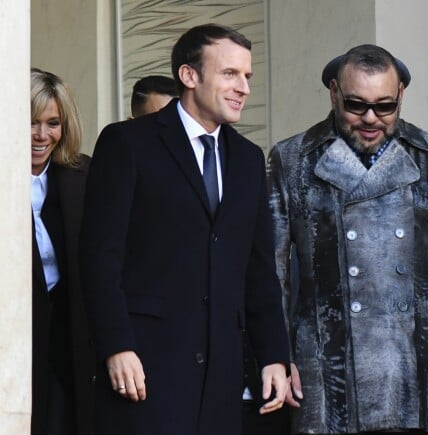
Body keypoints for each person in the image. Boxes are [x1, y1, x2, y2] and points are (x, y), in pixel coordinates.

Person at [267, 44, 428, 434]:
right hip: (322, 371)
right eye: (356, 105)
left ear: (401, 94)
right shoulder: (293, 158)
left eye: (384, 106)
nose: (370, 118)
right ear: (334, 93)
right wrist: (276, 356)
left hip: (408, 367)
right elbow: (272, 272)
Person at [80, 23, 290, 435]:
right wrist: (117, 345)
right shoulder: (128, 143)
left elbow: (259, 270)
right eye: (230, 74)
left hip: (222, 375)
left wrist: (274, 357)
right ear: (189, 76)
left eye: (247, 76)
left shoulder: (249, 159)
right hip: (144, 368)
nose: (244, 87)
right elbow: (99, 256)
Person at [30, 68, 94, 435]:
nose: (42, 135)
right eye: (31, 122)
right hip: (16, 342)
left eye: (52, 122)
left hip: (71, 341)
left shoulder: (83, 174)